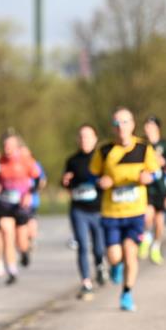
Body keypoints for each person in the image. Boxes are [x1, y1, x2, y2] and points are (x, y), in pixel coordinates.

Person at [90, 107, 159, 312]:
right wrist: (101, 182)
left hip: (135, 211)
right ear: (113, 127)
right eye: (117, 123)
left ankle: (127, 293)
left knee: (130, 252)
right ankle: (115, 266)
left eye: (125, 122)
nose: (121, 127)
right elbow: (93, 175)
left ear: (133, 125)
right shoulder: (104, 151)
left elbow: (156, 173)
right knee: (114, 255)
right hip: (111, 212)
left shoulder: (144, 148)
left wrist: (148, 178)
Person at [62, 124, 106, 300]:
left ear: (95, 139)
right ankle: (86, 283)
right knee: (82, 244)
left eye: (87, 136)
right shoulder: (72, 160)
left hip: (98, 209)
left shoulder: (102, 159)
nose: (84, 140)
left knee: (99, 247)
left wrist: (104, 182)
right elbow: (66, 182)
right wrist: (65, 181)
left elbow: (109, 179)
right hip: (79, 209)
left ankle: (100, 265)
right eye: (81, 136)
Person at [0, 134, 40, 285]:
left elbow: (37, 179)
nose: (7, 148)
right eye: (5, 145)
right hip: (5, 204)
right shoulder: (0, 162)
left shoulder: (26, 160)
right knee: (7, 234)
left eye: (10, 145)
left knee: (21, 240)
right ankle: (12, 271)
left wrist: (30, 194)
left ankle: (24, 252)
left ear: (17, 147)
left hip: (21, 205)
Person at [139, 116, 166, 265]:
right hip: (146, 187)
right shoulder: (141, 143)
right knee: (148, 216)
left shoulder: (164, 145)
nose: (148, 129)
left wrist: (163, 162)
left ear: (157, 128)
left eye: (151, 126)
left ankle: (156, 247)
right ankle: (146, 237)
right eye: (146, 126)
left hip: (161, 188)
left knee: (159, 223)